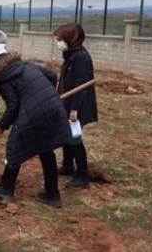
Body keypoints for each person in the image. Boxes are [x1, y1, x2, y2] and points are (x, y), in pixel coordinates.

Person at [0, 43, 73, 208]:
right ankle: (52, 194)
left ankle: (5, 189)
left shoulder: (4, 77)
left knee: (14, 147)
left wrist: (2, 126)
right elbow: (52, 76)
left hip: (35, 113)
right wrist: (44, 95)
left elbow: (13, 106)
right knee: (46, 150)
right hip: (53, 107)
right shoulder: (25, 65)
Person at [54, 23, 98, 189]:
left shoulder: (81, 57)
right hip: (66, 101)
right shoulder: (71, 54)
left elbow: (82, 84)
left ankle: (82, 176)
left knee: (75, 138)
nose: (59, 42)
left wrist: (74, 109)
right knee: (67, 134)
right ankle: (67, 165)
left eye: (60, 39)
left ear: (70, 38)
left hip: (76, 104)